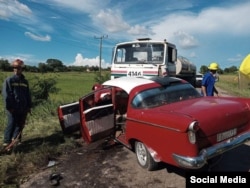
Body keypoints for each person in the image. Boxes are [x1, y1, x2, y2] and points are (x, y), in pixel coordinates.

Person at [2, 59, 32, 146]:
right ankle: (6, 142)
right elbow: (6, 95)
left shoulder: (25, 81)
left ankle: (16, 140)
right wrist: (9, 107)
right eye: (14, 67)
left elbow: (27, 94)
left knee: (20, 124)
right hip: (12, 107)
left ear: (22, 69)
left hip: (23, 107)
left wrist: (29, 106)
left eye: (18, 68)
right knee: (11, 123)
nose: (16, 69)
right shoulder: (9, 80)